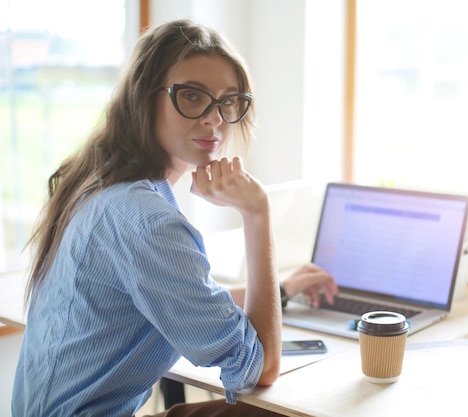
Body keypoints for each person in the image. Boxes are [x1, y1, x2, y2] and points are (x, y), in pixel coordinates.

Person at [12, 19, 337, 417]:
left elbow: (186, 298)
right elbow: (259, 367)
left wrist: (282, 288)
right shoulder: (148, 220)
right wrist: (257, 212)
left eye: (228, 100)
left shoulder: (101, 184)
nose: (214, 118)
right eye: (191, 96)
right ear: (144, 98)